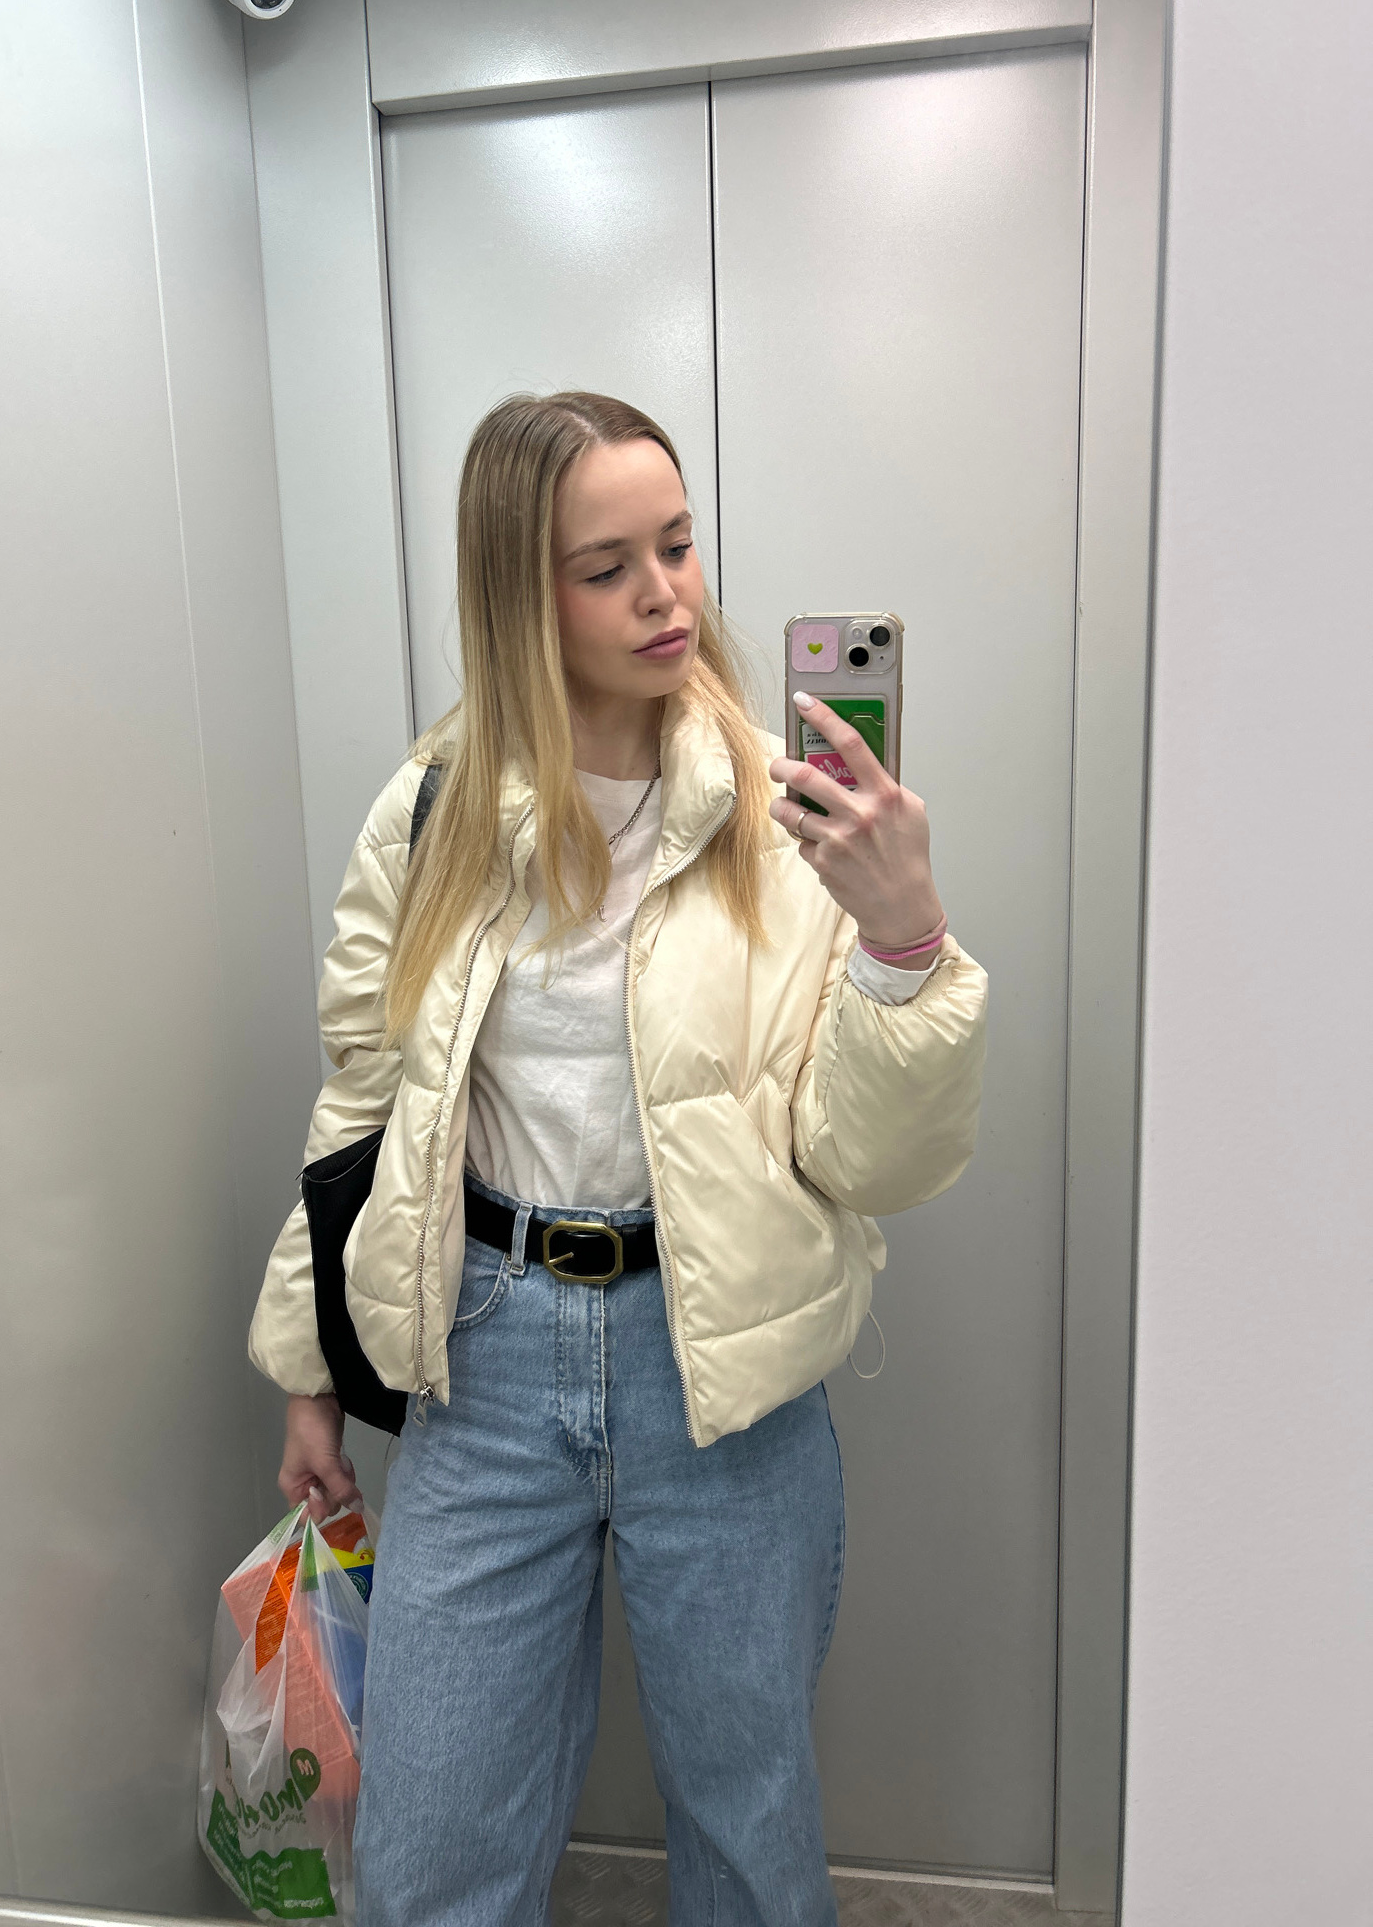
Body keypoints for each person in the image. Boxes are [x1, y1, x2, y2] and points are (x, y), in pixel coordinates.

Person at [247, 391, 988, 1926]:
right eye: (608, 567)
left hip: (718, 1367)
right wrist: (310, 1373)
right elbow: (363, 1106)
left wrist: (905, 941)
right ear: (521, 594)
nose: (667, 595)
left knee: (748, 1828)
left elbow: (870, 1161)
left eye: (679, 544)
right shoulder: (433, 808)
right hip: (484, 1359)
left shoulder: (790, 815)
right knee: (431, 1848)